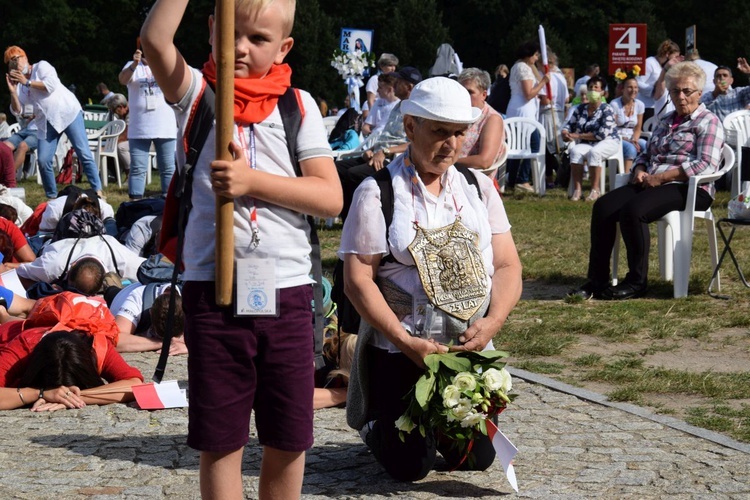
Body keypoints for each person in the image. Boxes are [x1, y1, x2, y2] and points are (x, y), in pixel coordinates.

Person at [140, 0, 343, 498]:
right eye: (232, 34)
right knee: (221, 438)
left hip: (290, 292)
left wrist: (252, 181)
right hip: (214, 292)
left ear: (284, 47)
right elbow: (154, 42)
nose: (241, 48)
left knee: (288, 436)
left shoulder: (298, 106)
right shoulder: (197, 96)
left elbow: (329, 197)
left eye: (258, 39)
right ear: (212, 29)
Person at [341, 77, 523, 482]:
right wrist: (407, 343)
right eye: (440, 131)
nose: (451, 144)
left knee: (475, 460)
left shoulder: (478, 186)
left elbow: (509, 265)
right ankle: (376, 420)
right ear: (410, 127)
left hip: (462, 342)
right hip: (401, 346)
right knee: (410, 469)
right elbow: (358, 280)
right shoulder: (379, 192)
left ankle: (435, 427)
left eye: (459, 133)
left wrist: (492, 322)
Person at [568, 62, 724, 301]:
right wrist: (640, 168)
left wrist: (662, 177)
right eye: (675, 91)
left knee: (634, 210)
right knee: (603, 207)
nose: (681, 97)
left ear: (699, 93)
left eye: (687, 91)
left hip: (691, 187)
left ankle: (637, 282)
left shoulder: (707, 121)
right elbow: (646, 153)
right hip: (652, 181)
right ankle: (597, 280)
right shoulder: (666, 119)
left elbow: (705, 165)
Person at [4, 46, 103, 199]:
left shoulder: (42, 66)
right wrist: (13, 92)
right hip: (46, 122)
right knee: (43, 160)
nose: (16, 64)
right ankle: (52, 197)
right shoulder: (20, 87)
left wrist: (27, 82)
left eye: (17, 59)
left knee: (83, 152)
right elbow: (18, 111)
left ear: (26, 57)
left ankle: (98, 191)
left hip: (68, 113)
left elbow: (50, 85)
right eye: (11, 62)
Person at [118, 48, 177, 199]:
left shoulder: (165, 63)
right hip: (140, 127)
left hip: (165, 125)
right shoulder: (132, 66)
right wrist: (134, 64)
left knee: (168, 168)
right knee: (137, 168)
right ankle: (135, 203)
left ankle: (167, 203)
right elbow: (122, 80)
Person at [562, 75, 620, 202]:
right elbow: (569, 124)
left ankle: (595, 190)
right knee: (575, 151)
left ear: (603, 92)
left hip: (608, 141)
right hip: (587, 142)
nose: (592, 90)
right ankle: (578, 190)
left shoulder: (607, 109)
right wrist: (565, 132)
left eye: (596, 88)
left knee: (595, 152)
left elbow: (601, 134)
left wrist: (578, 135)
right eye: (590, 88)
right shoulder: (580, 108)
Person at [506, 41, 550, 192]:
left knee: (517, 145)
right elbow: (529, 93)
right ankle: (523, 179)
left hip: (518, 108)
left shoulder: (516, 66)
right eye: (535, 55)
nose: (536, 58)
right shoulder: (523, 68)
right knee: (533, 144)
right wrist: (543, 82)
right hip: (523, 110)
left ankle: (512, 179)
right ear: (529, 55)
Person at [110, 283, 187, 354]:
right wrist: (165, 343)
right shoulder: (137, 299)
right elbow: (114, 341)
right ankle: (110, 284)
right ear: (150, 312)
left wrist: (189, 347)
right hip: (124, 293)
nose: (173, 340)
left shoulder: (193, 301)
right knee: (111, 292)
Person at [456, 68, 505, 171]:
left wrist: (449, 163)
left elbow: (484, 161)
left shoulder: (491, 119)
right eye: (461, 91)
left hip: (473, 178)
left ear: (484, 95)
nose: (464, 96)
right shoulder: (457, 112)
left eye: (469, 92)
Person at [609, 75, 646, 172]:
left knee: (646, 145)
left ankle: (644, 175)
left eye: (635, 87)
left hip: (632, 137)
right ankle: (625, 178)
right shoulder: (614, 104)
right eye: (630, 87)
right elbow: (611, 128)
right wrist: (627, 140)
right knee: (630, 149)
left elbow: (638, 128)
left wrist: (634, 139)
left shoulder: (640, 105)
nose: (633, 90)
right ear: (623, 89)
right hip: (617, 137)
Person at [637, 39, 680, 121]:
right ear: (667, 54)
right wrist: (653, 90)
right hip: (647, 107)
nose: (676, 60)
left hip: (660, 107)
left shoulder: (666, 67)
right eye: (675, 57)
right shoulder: (649, 63)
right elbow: (638, 82)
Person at [361, 73, 399, 139]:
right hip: (373, 138)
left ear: (389, 90)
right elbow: (366, 126)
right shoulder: (378, 102)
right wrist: (370, 133)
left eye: (380, 88)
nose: (377, 90)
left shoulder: (399, 104)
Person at [105, 93, 131, 174]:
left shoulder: (131, 113)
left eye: (114, 110)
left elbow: (126, 134)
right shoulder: (125, 113)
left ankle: (130, 174)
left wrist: (108, 146)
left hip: (147, 141)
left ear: (120, 106)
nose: (114, 114)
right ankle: (114, 174)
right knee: (115, 146)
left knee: (120, 147)